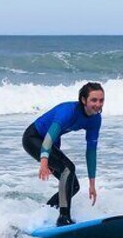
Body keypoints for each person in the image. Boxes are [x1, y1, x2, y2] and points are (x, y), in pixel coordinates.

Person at [22, 82, 104, 226]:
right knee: (69, 169)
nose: (98, 104)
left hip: (51, 143)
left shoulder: (95, 119)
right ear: (84, 100)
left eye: (101, 100)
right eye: (94, 100)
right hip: (33, 138)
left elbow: (91, 151)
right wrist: (44, 162)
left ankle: (45, 212)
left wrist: (92, 184)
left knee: (73, 186)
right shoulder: (68, 111)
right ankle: (63, 218)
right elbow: (49, 136)